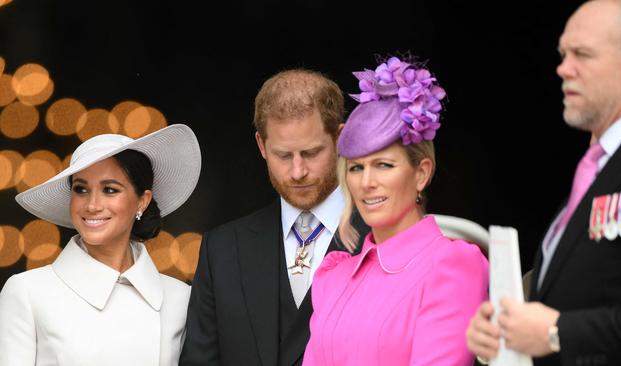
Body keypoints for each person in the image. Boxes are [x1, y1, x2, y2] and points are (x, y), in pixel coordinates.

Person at [466, 0, 621, 365]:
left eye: (582, 54)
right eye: (563, 53)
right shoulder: (605, 161)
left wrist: (558, 332)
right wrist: (507, 329)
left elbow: (562, 326)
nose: (563, 68)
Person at [302, 56, 489, 365]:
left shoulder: (452, 265)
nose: (366, 182)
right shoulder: (333, 276)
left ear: (421, 173)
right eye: (356, 168)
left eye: (384, 165)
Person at [180, 69, 368, 366]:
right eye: (283, 155)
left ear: (341, 138)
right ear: (261, 145)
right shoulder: (222, 250)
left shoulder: (384, 237)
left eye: (311, 152)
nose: (297, 171)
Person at [0, 124, 202, 365]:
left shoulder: (179, 298)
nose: (92, 205)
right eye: (81, 189)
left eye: (109, 189)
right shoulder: (27, 292)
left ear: (142, 201)